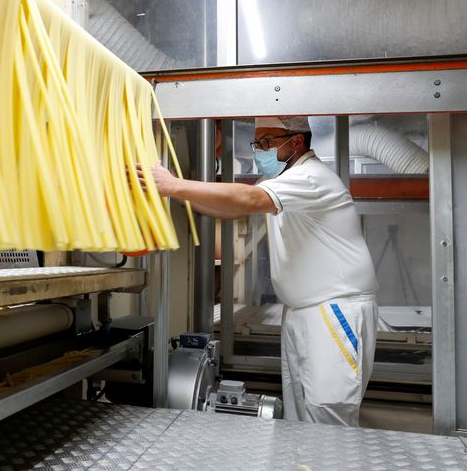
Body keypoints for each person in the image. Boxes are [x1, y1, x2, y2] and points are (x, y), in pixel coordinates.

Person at [137, 116, 378, 427]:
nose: (260, 151)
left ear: (296, 142)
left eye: (267, 143)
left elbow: (248, 198)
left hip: (333, 310)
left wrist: (174, 184)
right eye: (258, 144)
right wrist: (175, 191)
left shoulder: (312, 177)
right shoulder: (284, 183)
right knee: (301, 413)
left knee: (328, 412)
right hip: (304, 312)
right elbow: (232, 209)